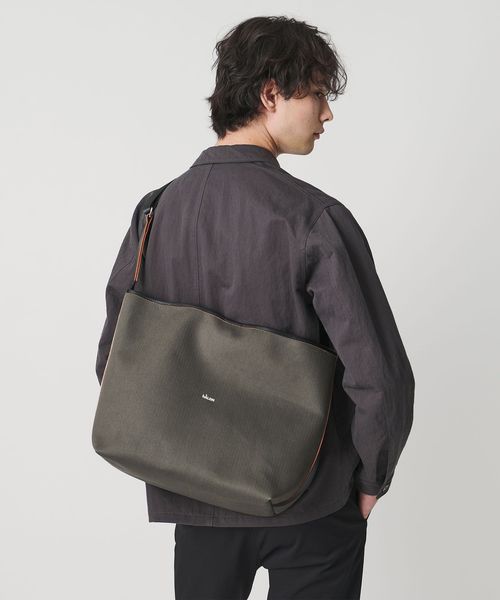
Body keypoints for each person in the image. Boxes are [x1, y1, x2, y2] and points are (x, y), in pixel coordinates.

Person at [95, 15, 415, 600]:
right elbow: (379, 376)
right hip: (313, 502)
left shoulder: (155, 213)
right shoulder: (315, 219)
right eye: (317, 93)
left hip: (198, 503)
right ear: (271, 94)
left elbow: (115, 360)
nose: (327, 113)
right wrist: (372, 476)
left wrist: (180, 453)